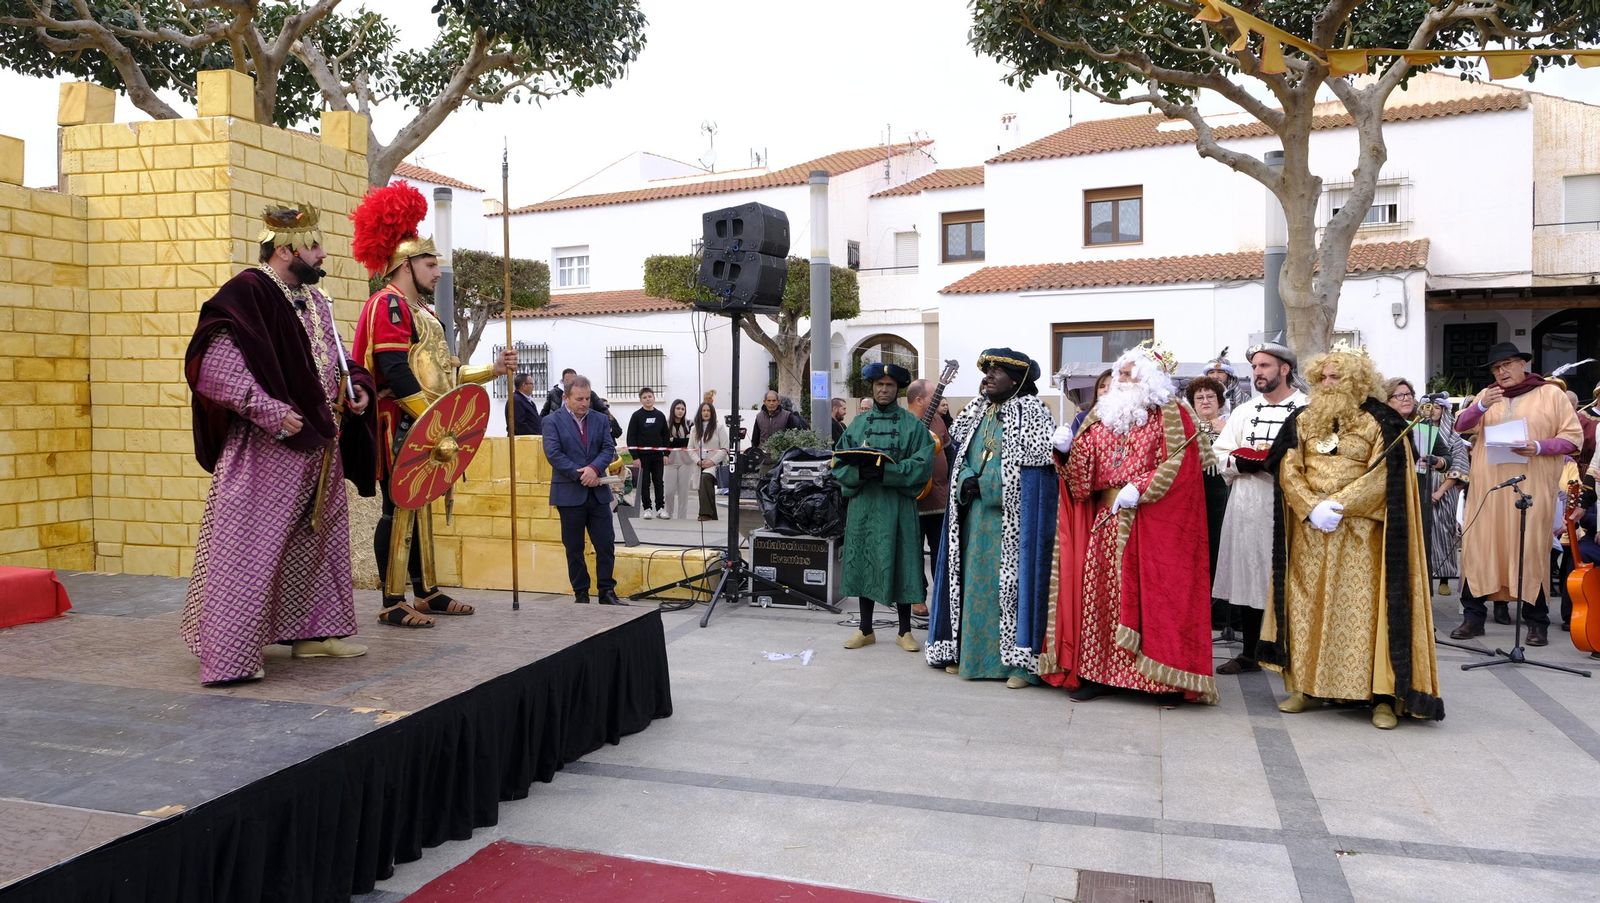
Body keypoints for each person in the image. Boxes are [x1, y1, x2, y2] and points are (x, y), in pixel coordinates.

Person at [181, 204, 377, 685]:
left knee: (318, 543)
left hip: (320, 443)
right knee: (249, 549)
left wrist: (357, 386)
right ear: (287, 250)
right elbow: (212, 365)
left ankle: (313, 633)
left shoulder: (316, 301)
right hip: (268, 447)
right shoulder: (247, 292)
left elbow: (336, 358)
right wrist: (267, 410)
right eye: (314, 246)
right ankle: (229, 657)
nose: (323, 254)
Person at [352, 181, 515, 628]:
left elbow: (444, 376)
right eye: (430, 263)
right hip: (396, 420)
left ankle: (425, 592)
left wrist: (493, 370)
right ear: (404, 264)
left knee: (420, 507)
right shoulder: (388, 305)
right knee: (398, 508)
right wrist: (431, 418)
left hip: (423, 420)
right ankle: (392, 599)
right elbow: (394, 369)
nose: (438, 272)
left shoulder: (422, 311)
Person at [1258, 343, 1443, 729]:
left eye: (1337, 377)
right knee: (1307, 610)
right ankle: (1306, 686)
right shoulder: (1303, 419)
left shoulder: (1382, 421)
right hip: (1310, 534)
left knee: (1363, 615)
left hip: (1360, 535)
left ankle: (1381, 697)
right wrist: (1311, 507)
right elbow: (1288, 467)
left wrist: (1339, 505)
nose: (1328, 383)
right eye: (1323, 377)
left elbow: (1385, 476)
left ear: (1357, 380)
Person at [1043, 342, 1217, 704]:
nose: (1120, 379)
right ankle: (1099, 675)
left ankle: (1161, 680)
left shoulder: (1172, 415)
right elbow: (1081, 480)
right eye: (1118, 372)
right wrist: (1065, 451)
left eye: (1127, 372)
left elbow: (1182, 465)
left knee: (1155, 603)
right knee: (1100, 601)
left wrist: (1142, 487)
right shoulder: (1102, 415)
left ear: (1149, 377)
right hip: (1107, 521)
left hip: (1154, 524)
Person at [926, 349, 1057, 688]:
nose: (988, 376)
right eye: (987, 371)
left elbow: (1035, 476)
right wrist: (965, 479)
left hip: (1011, 523)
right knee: (972, 587)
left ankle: (1016, 665)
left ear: (1016, 380)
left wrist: (985, 483)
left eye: (997, 371)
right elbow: (961, 456)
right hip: (974, 517)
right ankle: (968, 655)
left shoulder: (1033, 413)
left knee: (1011, 590)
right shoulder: (978, 410)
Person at [1450, 342, 1583, 645]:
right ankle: (1473, 617)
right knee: (1480, 548)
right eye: (1496, 368)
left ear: (1523, 364)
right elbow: (1459, 426)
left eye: (1508, 364)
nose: (1502, 371)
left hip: (1531, 489)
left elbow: (1573, 439)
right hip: (1489, 491)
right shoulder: (1487, 395)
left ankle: (1536, 622)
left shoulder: (1551, 394)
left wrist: (1538, 446)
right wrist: (1481, 406)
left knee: (1530, 548)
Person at [1209, 342, 1306, 674]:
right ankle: (1249, 653)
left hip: (1288, 506)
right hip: (1246, 506)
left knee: (1287, 577)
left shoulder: (1306, 408)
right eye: (1254, 367)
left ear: (1284, 369)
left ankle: (1290, 654)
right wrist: (1241, 463)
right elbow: (1220, 452)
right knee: (1249, 575)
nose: (1257, 373)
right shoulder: (1244, 412)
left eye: (1264, 366)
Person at [835, 363, 935, 652]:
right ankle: (865, 629)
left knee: (902, 561)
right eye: (879, 384)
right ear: (872, 387)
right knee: (863, 561)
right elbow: (838, 462)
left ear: (898, 390)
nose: (883, 390)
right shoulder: (858, 424)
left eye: (889, 385)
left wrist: (887, 472)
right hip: (864, 506)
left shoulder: (912, 426)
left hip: (897, 506)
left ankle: (905, 631)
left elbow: (923, 464)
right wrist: (859, 472)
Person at [543, 376, 626, 605]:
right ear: (566, 397)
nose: (584, 403)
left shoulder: (600, 419)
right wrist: (581, 474)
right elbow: (553, 454)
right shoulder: (552, 421)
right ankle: (581, 594)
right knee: (574, 548)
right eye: (579, 399)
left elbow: (608, 448)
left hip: (598, 494)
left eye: (588, 398)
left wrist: (593, 469)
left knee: (605, 544)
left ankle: (607, 592)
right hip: (569, 494)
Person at [1384, 379, 1467, 595]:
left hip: (1419, 496)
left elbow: (1447, 458)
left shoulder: (1423, 427)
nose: (1406, 399)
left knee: (1418, 550)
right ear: (1387, 400)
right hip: (1388, 498)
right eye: (1400, 395)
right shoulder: (1378, 428)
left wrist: (1437, 461)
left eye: (1409, 394)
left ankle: (1421, 601)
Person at [1185, 376, 1231, 630]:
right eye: (1199, 397)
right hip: (1193, 497)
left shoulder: (1231, 425)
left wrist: (1222, 432)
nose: (1205, 401)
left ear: (1220, 401)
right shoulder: (1185, 428)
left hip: (1223, 496)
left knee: (1221, 550)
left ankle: (1223, 614)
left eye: (1210, 396)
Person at [906, 378, 951, 619]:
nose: (938, 400)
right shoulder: (903, 422)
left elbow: (948, 450)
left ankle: (942, 599)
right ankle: (917, 597)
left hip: (940, 498)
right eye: (934, 396)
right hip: (914, 499)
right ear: (919, 399)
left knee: (940, 552)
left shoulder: (938, 420)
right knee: (913, 552)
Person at [1417, 395, 1470, 594]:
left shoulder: (1454, 438)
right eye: (1429, 407)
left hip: (1445, 490)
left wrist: (1440, 491)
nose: (1433, 411)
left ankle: (1444, 578)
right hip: (1420, 486)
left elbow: (1457, 466)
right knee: (1422, 532)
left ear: (1444, 411)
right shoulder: (1418, 432)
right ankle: (1423, 576)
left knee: (1444, 532)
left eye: (1437, 408)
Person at [627, 387, 671, 520]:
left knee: (658, 482)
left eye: (650, 396)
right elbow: (631, 437)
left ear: (654, 398)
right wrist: (635, 456)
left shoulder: (660, 415)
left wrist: (666, 454)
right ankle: (647, 508)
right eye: (644, 397)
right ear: (641, 400)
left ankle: (660, 508)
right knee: (645, 482)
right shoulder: (636, 416)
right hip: (642, 457)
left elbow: (666, 436)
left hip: (657, 456)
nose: (648, 399)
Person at [689, 401, 727, 521]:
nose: (706, 413)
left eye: (708, 410)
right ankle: (712, 515)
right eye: (704, 410)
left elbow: (725, 448)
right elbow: (690, 449)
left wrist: (712, 461)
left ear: (712, 413)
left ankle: (705, 513)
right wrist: (698, 461)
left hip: (714, 464)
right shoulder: (694, 429)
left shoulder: (719, 427)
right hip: (699, 464)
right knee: (703, 486)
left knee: (705, 478)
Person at [664, 399, 694, 520]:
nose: (680, 411)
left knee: (683, 492)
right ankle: (668, 513)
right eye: (678, 408)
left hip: (686, 462)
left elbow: (690, 442)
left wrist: (673, 440)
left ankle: (682, 518)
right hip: (669, 461)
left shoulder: (690, 424)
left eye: (682, 409)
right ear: (673, 409)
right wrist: (679, 441)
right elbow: (665, 442)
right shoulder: (665, 423)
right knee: (669, 491)